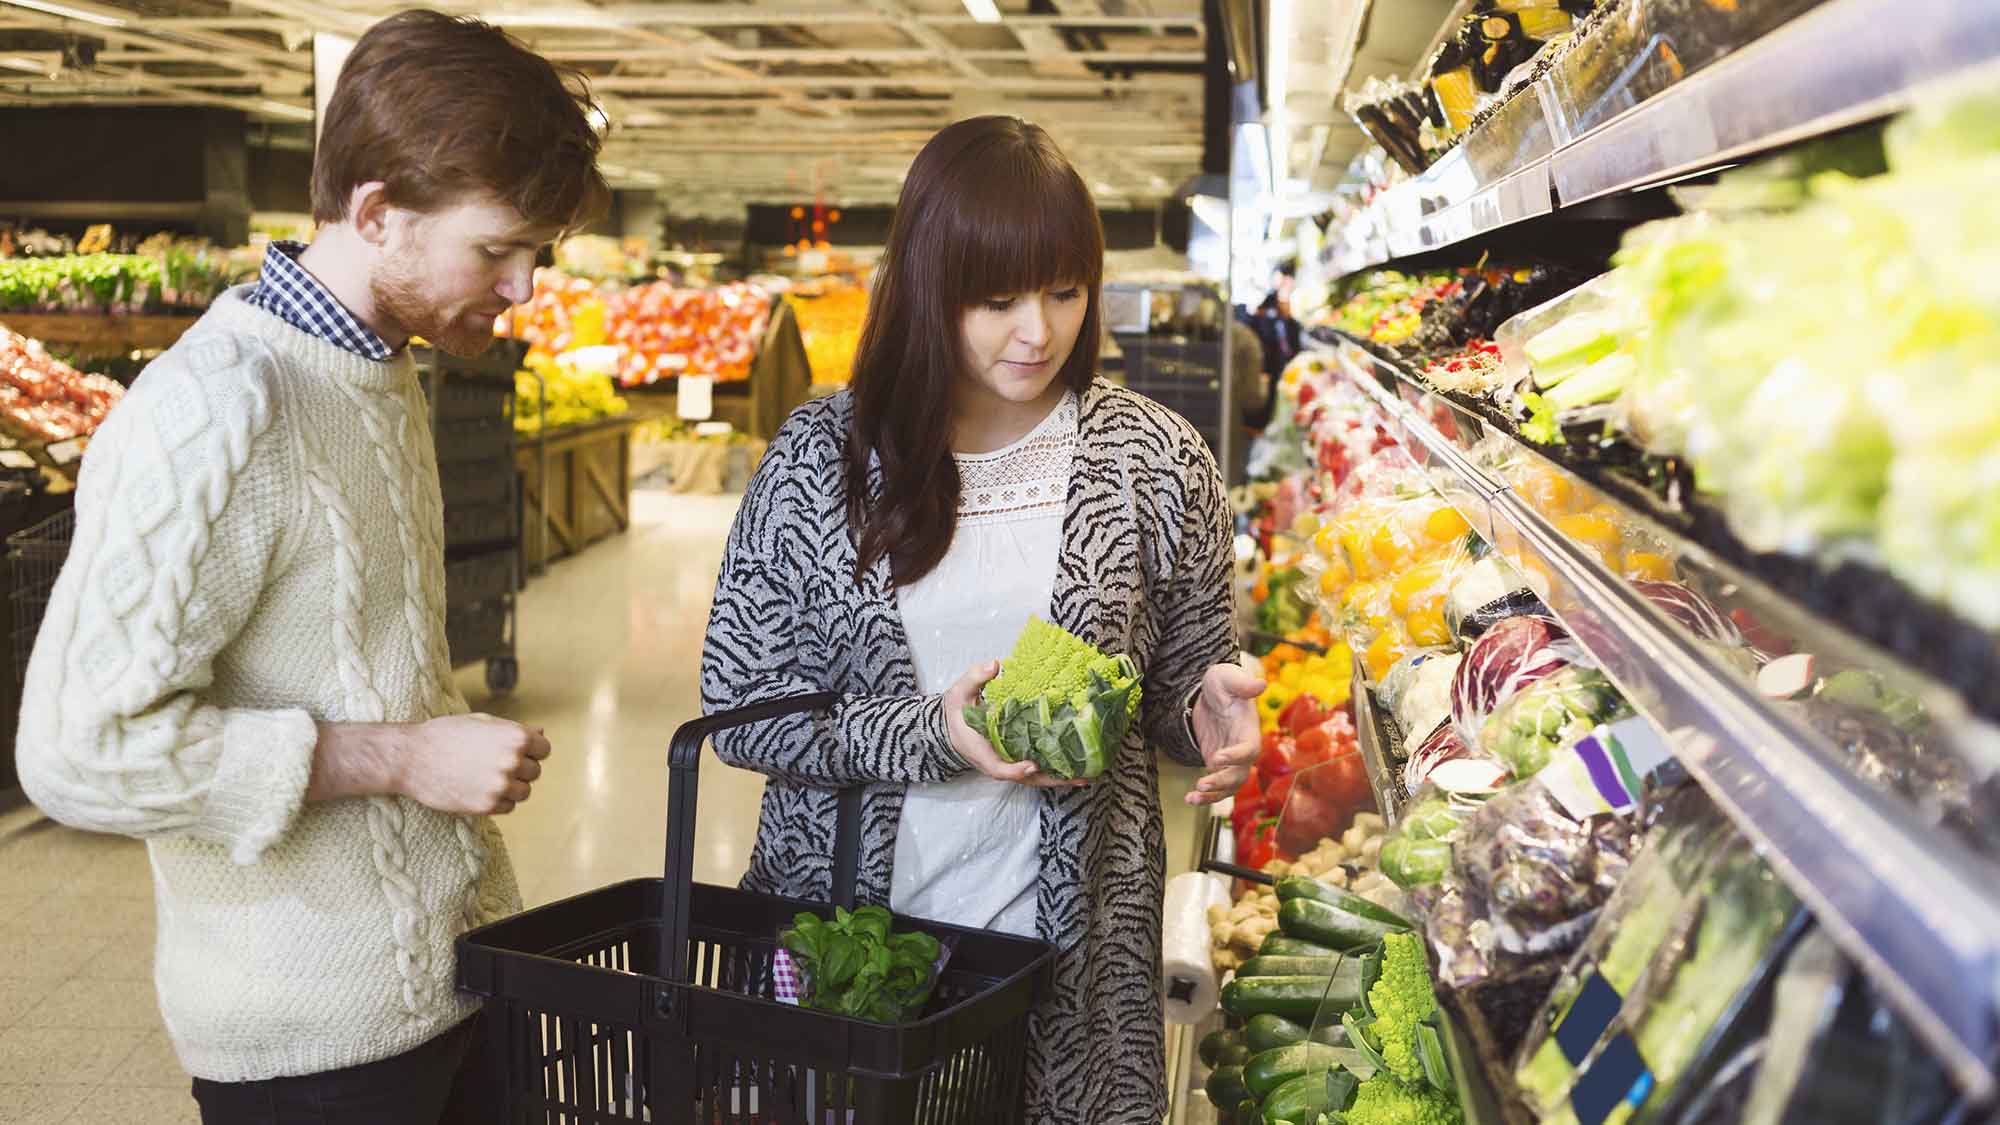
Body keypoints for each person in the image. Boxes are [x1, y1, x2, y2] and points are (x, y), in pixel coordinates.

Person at [17, 11, 606, 1123]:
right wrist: (397, 759)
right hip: (313, 1052)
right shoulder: (216, 407)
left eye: (542, 252)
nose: (526, 287)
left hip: (455, 987)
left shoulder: (380, 371)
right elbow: (77, 753)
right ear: (377, 213)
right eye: (497, 249)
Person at [701, 116, 1265, 1123]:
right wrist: (934, 733)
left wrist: (1209, 709)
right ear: (926, 287)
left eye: (1062, 291)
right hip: (856, 946)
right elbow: (741, 712)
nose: (1036, 332)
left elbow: (1181, 682)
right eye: (994, 298)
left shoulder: (1151, 456)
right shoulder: (818, 459)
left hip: (1080, 953)